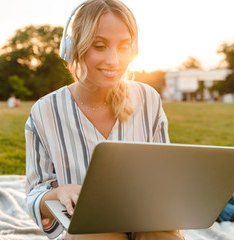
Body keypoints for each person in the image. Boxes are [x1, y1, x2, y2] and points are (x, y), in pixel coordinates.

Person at [25, 0, 184, 239]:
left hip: (146, 220)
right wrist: (60, 193)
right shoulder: (45, 111)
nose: (114, 60)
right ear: (73, 47)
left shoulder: (148, 99)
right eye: (99, 46)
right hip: (88, 230)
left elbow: (164, 174)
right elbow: (35, 195)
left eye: (124, 47)